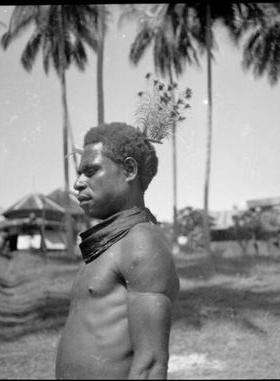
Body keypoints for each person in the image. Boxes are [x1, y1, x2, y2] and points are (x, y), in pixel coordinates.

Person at [55, 122, 180, 379]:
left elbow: (151, 364)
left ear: (129, 170)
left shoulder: (140, 240)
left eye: (91, 171)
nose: (78, 183)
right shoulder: (109, 244)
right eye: (80, 173)